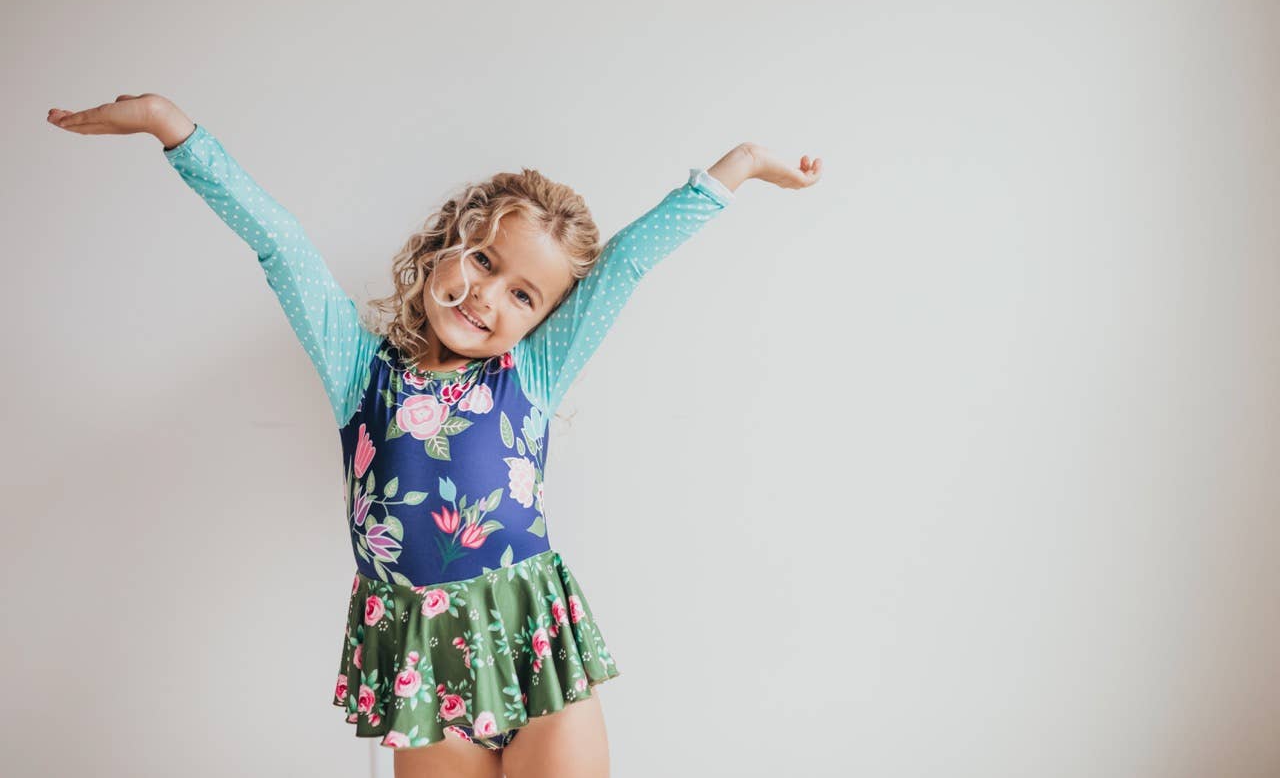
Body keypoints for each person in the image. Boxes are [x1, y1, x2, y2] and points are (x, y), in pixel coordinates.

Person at [47, 93, 822, 778]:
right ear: (447, 241)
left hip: (533, 643)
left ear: (544, 320)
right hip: (422, 655)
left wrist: (739, 166)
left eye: (521, 294)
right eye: (482, 260)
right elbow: (282, 247)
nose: (486, 295)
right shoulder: (361, 372)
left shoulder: (533, 374)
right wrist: (172, 128)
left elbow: (624, 266)